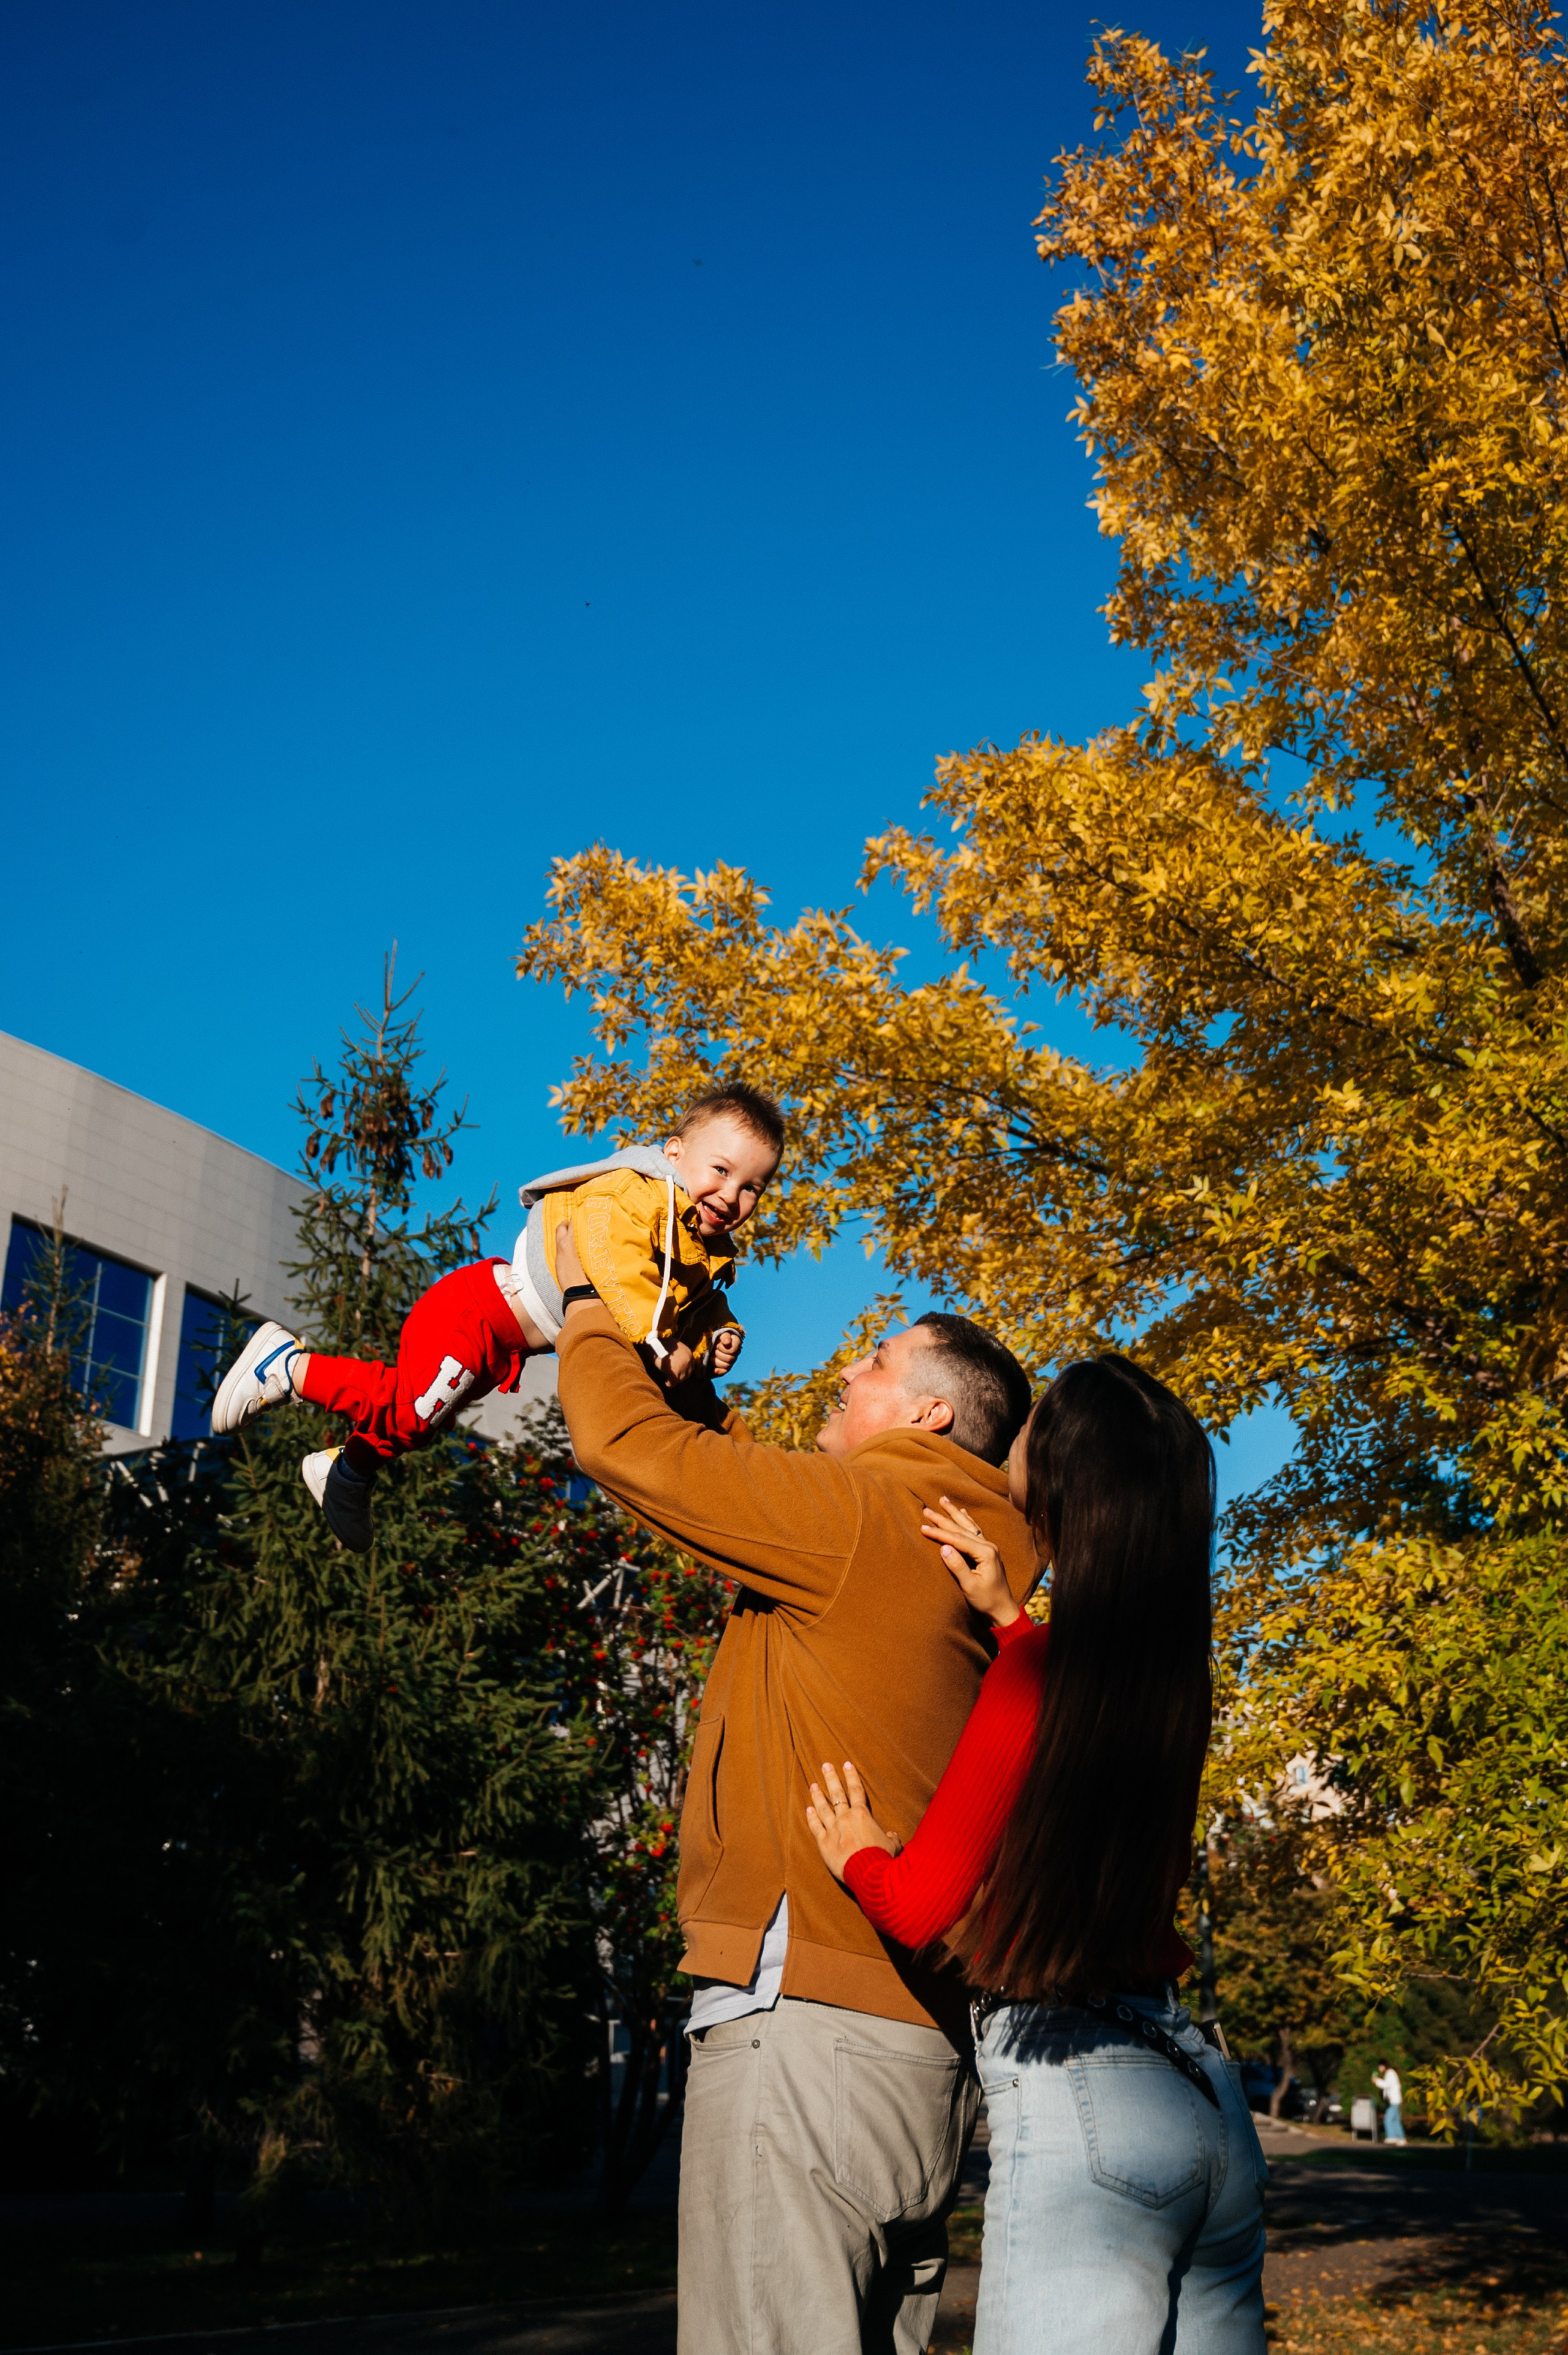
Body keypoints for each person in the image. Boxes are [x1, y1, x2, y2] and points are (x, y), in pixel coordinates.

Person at [550, 1217, 1035, 2355]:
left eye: (872, 1361)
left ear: (928, 1414)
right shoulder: (968, 1548)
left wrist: (578, 1292)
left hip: (802, 2040)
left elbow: (623, 1444)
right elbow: (751, 1499)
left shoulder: (869, 1515)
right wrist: (700, 1400)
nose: (845, 1368)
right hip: (913, 2057)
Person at [807, 1355, 1268, 2355]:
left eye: (1027, 1432)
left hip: (1084, 2097)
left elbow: (921, 1907)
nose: (1011, 1439)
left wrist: (859, 1856)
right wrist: (1013, 1617)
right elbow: (1071, 1713)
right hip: (1202, 2095)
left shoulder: (1038, 1683)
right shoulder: (1171, 1681)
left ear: (1055, 1479)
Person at [206, 1083, 782, 1551]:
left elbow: (699, 1304)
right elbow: (620, 1274)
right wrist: (662, 1346)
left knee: (421, 1422)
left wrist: (716, 1338)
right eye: (722, 1171)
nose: (732, 1196)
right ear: (675, 1152)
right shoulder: (632, 1197)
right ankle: (288, 1368)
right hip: (476, 1311)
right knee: (410, 1407)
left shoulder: (699, 1246)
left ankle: (348, 1472)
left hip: (499, 1341)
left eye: (753, 1187)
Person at [1373, 2061, 1405, 2145]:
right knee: (1395, 2120)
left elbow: (1387, 2085)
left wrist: (1377, 2081)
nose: (1379, 2069)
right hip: (1394, 2100)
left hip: (1393, 2101)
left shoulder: (1390, 2073)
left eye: (1380, 2067)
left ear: (1384, 2066)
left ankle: (1392, 2137)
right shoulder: (1390, 2073)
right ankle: (1401, 2139)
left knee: (1388, 2119)